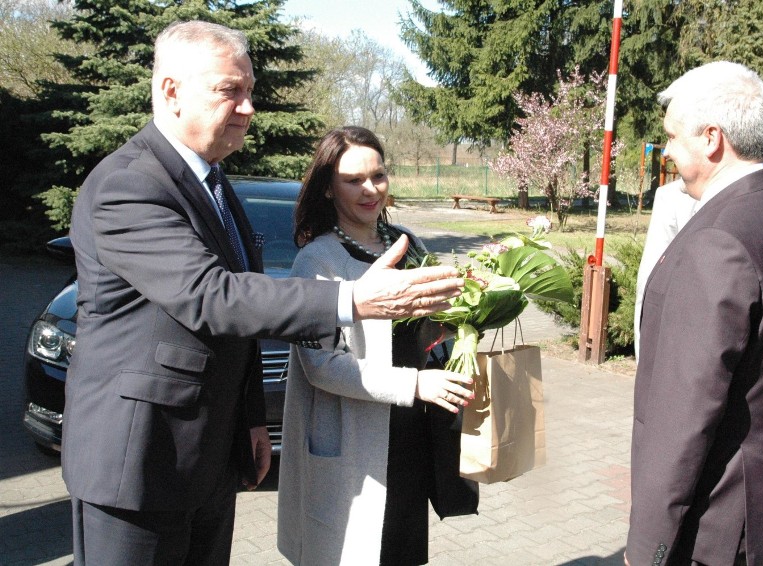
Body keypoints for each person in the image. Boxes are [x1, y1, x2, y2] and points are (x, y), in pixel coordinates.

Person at [63, 21, 463, 566]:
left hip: (207, 456)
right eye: (231, 90)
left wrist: (249, 416)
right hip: (137, 464)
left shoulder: (214, 182)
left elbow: (233, 331)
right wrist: (351, 301)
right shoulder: (128, 184)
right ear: (170, 91)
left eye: (250, 91)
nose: (249, 107)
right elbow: (210, 297)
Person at [625, 61, 763, 565]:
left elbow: (685, 413)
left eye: (672, 136)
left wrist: (646, 546)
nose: (665, 151)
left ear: (712, 139)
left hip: (715, 521)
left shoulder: (719, 239)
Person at [276, 126, 476, 565]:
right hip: (354, 448)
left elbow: (437, 323)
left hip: (409, 440)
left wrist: (477, 299)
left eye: (378, 175)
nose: (370, 189)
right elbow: (321, 366)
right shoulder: (317, 261)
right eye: (353, 180)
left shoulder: (409, 243)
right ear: (328, 189)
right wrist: (415, 385)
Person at [634, 92, 763, 417]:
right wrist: (650, 378)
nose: (669, 148)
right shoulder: (673, 199)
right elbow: (651, 295)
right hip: (689, 379)